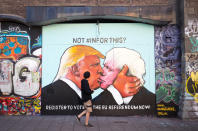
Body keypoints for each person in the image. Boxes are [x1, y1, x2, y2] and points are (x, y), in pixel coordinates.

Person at [41, 45, 104, 115]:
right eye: (95, 65)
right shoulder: (54, 96)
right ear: (75, 69)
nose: (101, 70)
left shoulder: (57, 92)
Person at [93, 48, 156, 115]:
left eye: (109, 68)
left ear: (126, 74)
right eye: (104, 66)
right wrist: (116, 92)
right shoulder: (97, 101)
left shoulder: (152, 100)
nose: (101, 71)